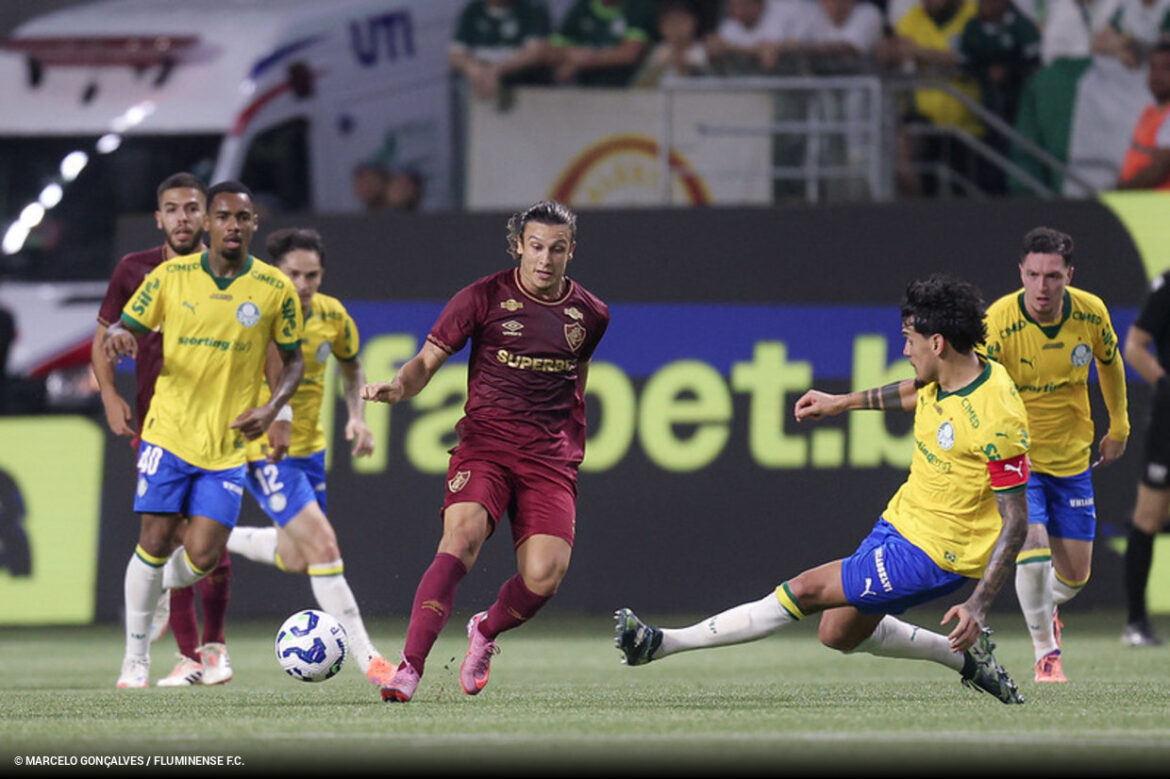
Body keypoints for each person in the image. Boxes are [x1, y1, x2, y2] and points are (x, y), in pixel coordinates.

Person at [615, 274, 1029, 705]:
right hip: (902, 523)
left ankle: (661, 644)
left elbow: (1016, 520)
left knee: (806, 589)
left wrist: (978, 605)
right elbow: (915, 391)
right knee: (837, 633)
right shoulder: (947, 374)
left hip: (936, 554)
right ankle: (966, 659)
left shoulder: (997, 413)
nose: (905, 350)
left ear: (938, 343)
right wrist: (841, 402)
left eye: (909, 340)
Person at [361, 200, 609, 703]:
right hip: (486, 446)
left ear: (571, 252)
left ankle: (486, 630)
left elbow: (575, 380)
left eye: (556, 249)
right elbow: (426, 362)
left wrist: (569, 443)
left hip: (547, 459)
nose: (545, 259)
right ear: (518, 245)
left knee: (544, 577)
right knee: (463, 536)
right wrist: (399, 388)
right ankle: (409, 668)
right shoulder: (482, 297)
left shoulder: (592, 314)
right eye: (536, 247)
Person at [102, 180, 304, 689]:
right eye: (224, 217)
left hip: (227, 443)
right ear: (209, 224)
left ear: (254, 224)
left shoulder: (274, 288)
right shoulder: (170, 276)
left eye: (243, 217)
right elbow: (122, 327)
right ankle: (136, 660)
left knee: (203, 555)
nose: (232, 226)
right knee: (152, 540)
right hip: (167, 432)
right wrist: (122, 336)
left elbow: (293, 358)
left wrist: (275, 407)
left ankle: (158, 591)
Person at [224, 227, 394, 684]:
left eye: (312, 275)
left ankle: (208, 537)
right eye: (293, 274)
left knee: (298, 557)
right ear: (274, 272)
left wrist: (358, 417)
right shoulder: (252, 314)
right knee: (324, 547)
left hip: (310, 451)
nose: (302, 284)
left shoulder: (331, 315)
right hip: (263, 451)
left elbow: (351, 362)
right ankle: (371, 660)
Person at [91, 172, 236, 687]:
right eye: (172, 209)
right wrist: (109, 394)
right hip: (159, 425)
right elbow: (105, 335)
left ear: (207, 216)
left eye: (192, 208)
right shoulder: (136, 270)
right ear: (159, 218)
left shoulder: (229, 274)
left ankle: (194, 633)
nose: (182, 218)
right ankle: (194, 656)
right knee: (164, 536)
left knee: (205, 547)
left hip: (220, 429)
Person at [983, 227, 1129, 682]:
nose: (1042, 287)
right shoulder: (998, 322)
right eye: (1033, 275)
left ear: (1069, 274)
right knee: (1034, 545)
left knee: (1074, 576)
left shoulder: (1091, 312)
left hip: (1072, 458)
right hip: (1018, 457)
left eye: (1052, 276)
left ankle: (1047, 612)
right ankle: (1046, 655)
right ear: (1021, 273)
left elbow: (1110, 362)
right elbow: (976, 387)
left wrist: (1119, 425)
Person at [1120, 266, 1170, 646]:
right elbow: (1134, 346)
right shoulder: (1166, 286)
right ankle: (1135, 622)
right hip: (1168, 420)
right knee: (1149, 515)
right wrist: (1165, 383)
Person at [449, 0, 554, 101]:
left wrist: (498, 71)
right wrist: (474, 69)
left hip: (522, 91)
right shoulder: (473, 10)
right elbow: (456, 54)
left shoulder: (532, 9)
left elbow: (535, 53)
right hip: (478, 90)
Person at [549, 0, 658, 86]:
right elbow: (555, 49)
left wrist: (587, 58)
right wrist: (572, 56)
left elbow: (630, 53)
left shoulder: (638, 6)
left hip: (625, 85)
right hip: (582, 86)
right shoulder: (582, 7)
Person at [1117, 41, 1170, 190]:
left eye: (1166, 68)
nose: (1157, 76)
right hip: (1141, 205)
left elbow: (1158, 171)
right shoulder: (1150, 113)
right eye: (1153, 68)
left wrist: (1118, 193)